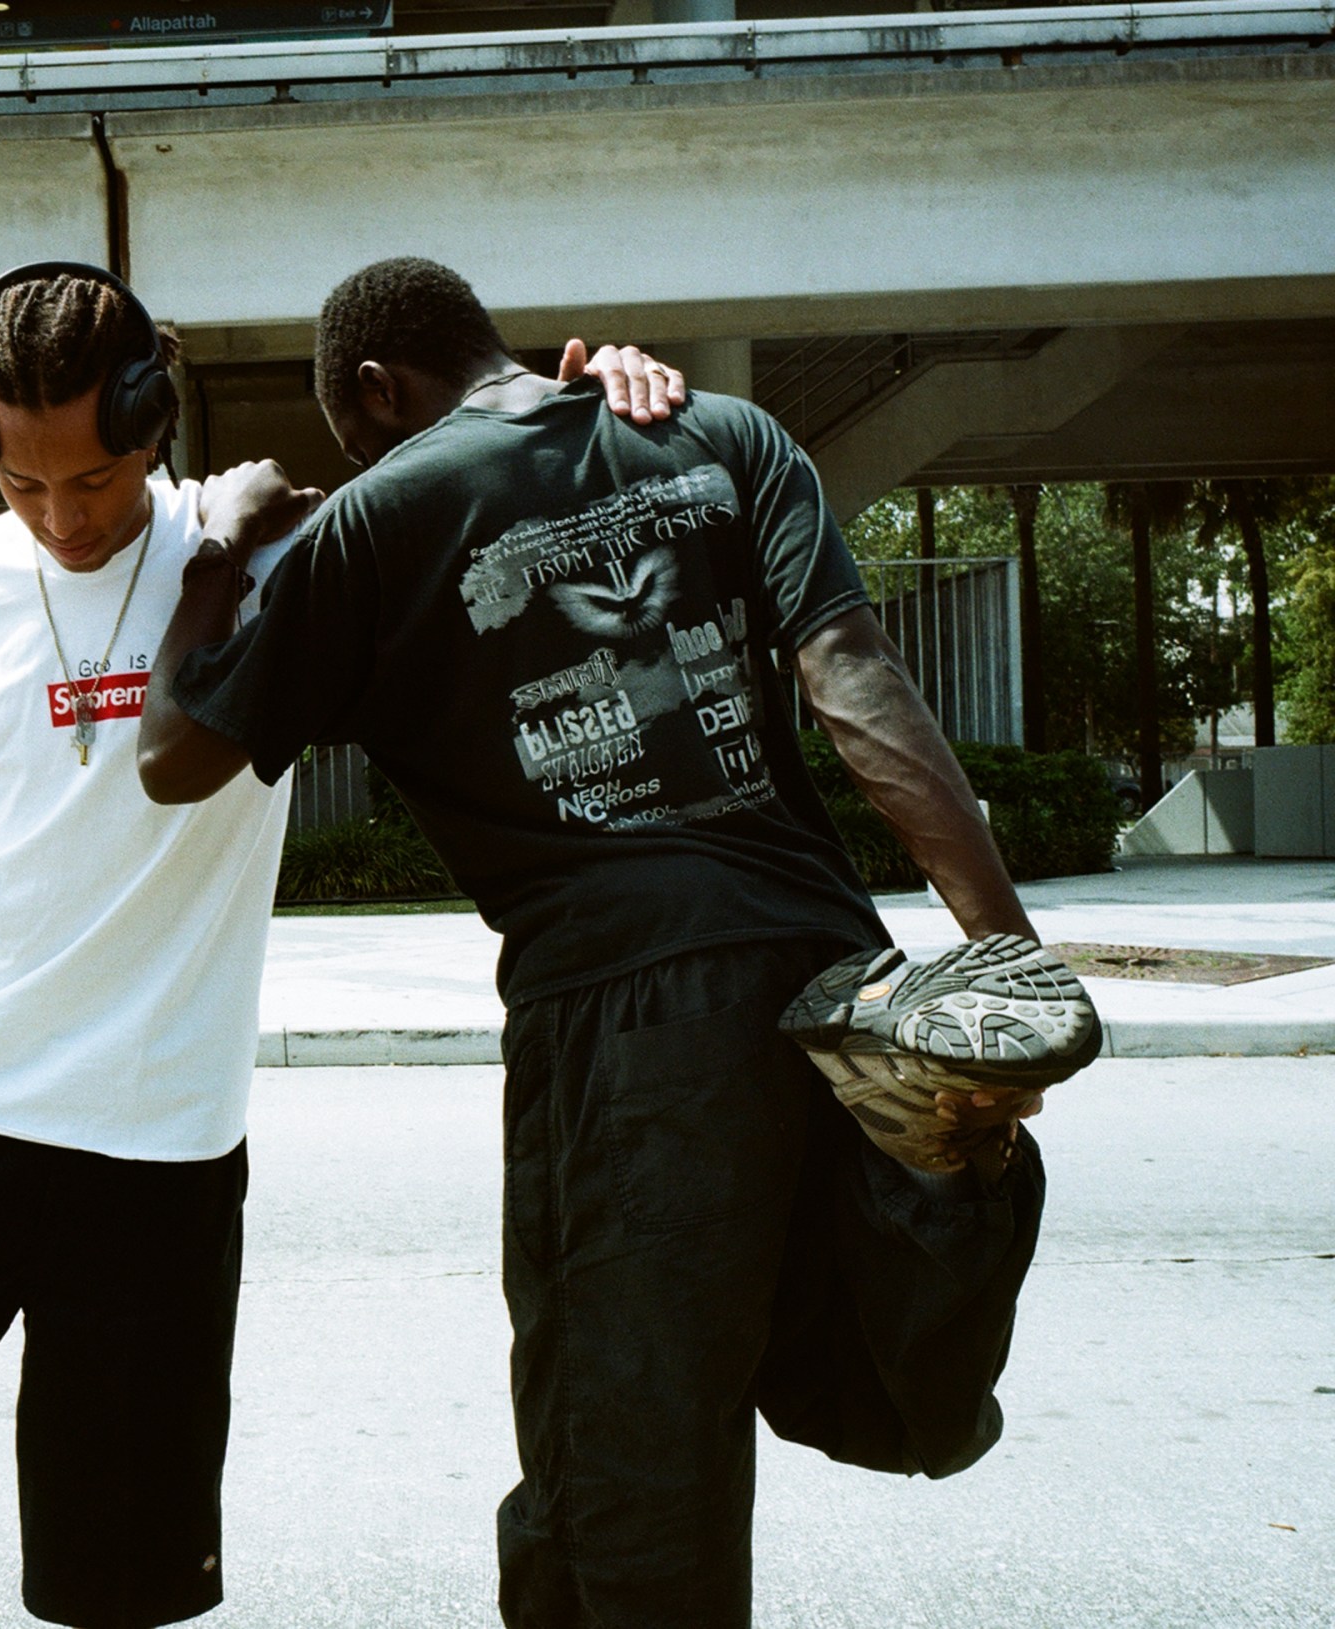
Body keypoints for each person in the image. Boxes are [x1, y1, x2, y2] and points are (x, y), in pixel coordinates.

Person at [0, 259, 684, 1629]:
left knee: (119, 1586)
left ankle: (46, 1285)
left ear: (153, 421)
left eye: (97, 479)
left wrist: (604, 400)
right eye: (23, 483)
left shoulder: (270, 556)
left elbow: (490, 491)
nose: (63, 514)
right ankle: (4, 1264)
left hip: (160, 1153)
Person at [137, 256, 1062, 1628]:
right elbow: (856, 678)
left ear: (379, 392)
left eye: (357, 432)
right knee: (837, 1336)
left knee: (623, 1473)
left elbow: (173, 754)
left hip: (631, 1022)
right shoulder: (715, 429)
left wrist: (221, 539)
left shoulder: (376, 523)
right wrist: (1007, 960)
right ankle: (951, 1181)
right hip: (828, 970)